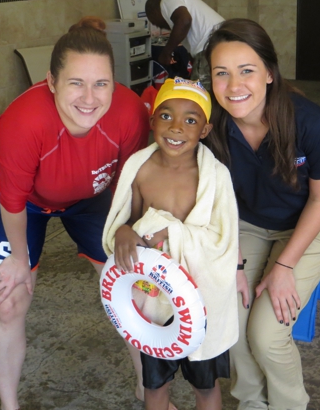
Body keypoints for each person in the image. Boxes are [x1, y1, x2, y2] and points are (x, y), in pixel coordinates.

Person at [0, 16, 150, 410]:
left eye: (101, 83)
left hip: (91, 197)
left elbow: (132, 184)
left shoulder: (128, 113)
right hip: (20, 202)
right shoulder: (24, 121)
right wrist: (19, 260)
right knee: (10, 300)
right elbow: (12, 200)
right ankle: (9, 406)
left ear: (114, 81)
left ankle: (149, 391)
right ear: (51, 82)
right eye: (76, 82)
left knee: (133, 290)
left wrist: (130, 231)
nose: (90, 98)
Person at [203, 18, 320, 410]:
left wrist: (283, 266)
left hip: (310, 225)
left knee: (267, 335)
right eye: (222, 73)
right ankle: (252, 402)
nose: (234, 86)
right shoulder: (211, 126)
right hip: (247, 223)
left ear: (269, 73)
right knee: (229, 320)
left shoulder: (312, 123)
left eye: (247, 71)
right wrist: (231, 262)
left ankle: (288, 404)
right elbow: (220, 198)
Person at [102, 77, 241, 410]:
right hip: (153, 298)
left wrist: (173, 235)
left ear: (204, 130)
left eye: (190, 120)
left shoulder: (215, 176)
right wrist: (123, 231)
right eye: (166, 116)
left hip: (201, 298)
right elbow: (128, 220)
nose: (176, 127)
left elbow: (223, 239)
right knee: (155, 385)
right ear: (152, 121)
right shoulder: (139, 168)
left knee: (206, 387)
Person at [145, 0, 224, 89]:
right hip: (221, 42)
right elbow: (193, 55)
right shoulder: (180, 26)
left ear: (154, 13)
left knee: (200, 94)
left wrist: (166, 52)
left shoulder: (167, 0)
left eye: (154, 22)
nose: (158, 26)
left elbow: (185, 20)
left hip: (211, 44)